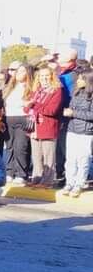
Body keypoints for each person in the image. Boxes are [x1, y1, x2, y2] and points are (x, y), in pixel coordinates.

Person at [25, 66, 63, 188]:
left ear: (52, 76)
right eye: (41, 76)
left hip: (48, 127)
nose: (44, 78)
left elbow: (51, 110)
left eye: (46, 75)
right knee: (36, 156)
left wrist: (34, 105)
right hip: (34, 127)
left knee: (48, 156)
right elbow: (26, 108)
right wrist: (29, 105)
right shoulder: (36, 90)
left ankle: (47, 181)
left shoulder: (57, 90)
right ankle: (37, 178)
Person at [61, 69, 93, 197]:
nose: (78, 81)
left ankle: (79, 183)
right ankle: (70, 182)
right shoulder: (76, 93)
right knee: (70, 159)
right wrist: (69, 112)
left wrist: (74, 113)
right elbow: (72, 108)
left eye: (80, 78)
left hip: (85, 132)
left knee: (83, 159)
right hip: (72, 129)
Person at [3, 63, 33, 185]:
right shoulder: (10, 87)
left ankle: (22, 174)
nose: (18, 73)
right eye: (17, 71)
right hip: (9, 118)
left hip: (23, 118)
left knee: (20, 147)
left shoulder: (30, 88)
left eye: (22, 71)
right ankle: (10, 172)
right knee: (9, 147)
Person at [56, 49, 79, 180]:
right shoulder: (61, 72)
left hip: (68, 115)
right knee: (58, 146)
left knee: (65, 147)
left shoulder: (74, 75)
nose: (59, 61)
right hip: (59, 114)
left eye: (62, 59)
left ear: (71, 60)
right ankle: (59, 172)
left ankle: (67, 175)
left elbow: (72, 96)